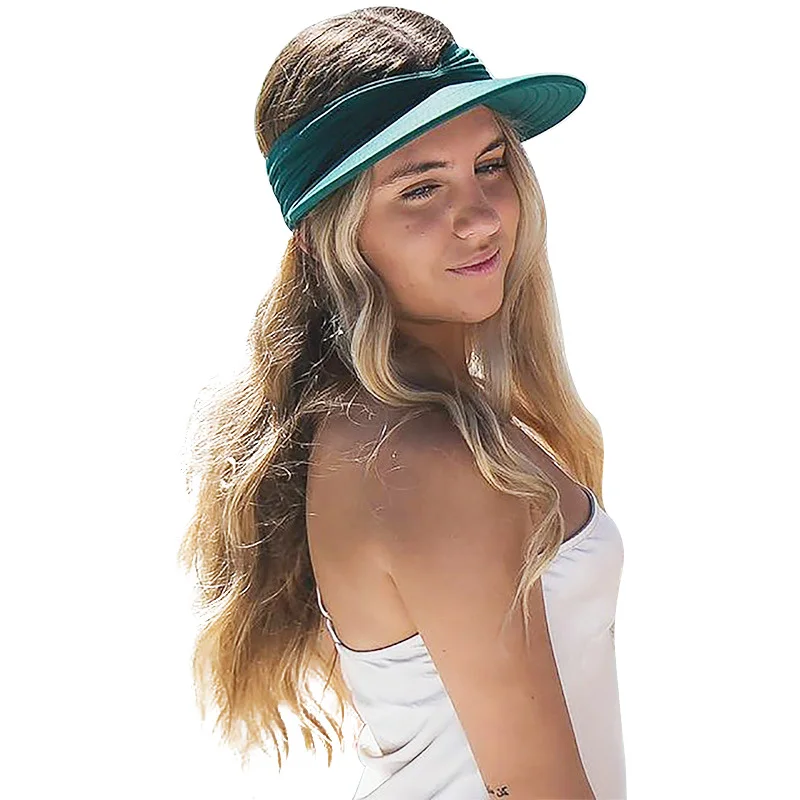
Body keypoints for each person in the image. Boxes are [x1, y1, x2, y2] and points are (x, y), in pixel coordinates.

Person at [179, 6, 626, 799]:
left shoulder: (375, 424)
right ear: (327, 235)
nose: (480, 218)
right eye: (420, 188)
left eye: (490, 164)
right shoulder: (429, 460)